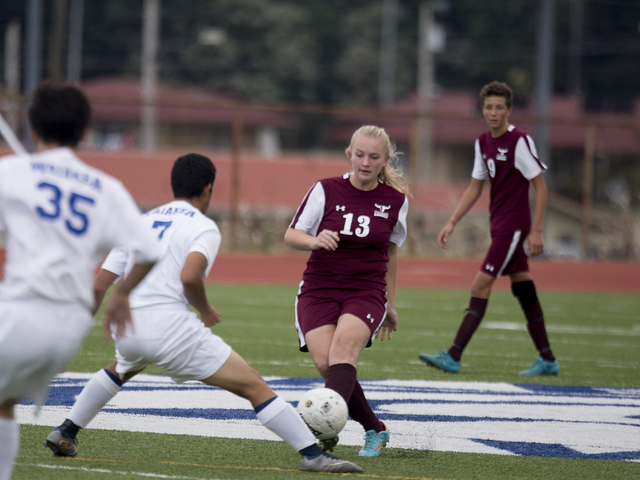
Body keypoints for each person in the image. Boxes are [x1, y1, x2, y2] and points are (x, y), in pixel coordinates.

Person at [45, 153, 363, 474]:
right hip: (170, 328)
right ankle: (312, 455)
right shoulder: (203, 226)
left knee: (121, 368)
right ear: (208, 188)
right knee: (254, 385)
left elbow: (102, 282)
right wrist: (205, 309)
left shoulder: (141, 221)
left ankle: (66, 432)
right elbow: (189, 276)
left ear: (173, 185)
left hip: (128, 326)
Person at [0, 83, 160, 480]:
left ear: (33, 128)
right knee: (4, 402)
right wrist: (122, 293)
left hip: (23, 309)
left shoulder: (11, 172)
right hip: (71, 323)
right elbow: (149, 251)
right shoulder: (106, 187)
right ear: (84, 131)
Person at [419, 81, 559, 376]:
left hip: (514, 227)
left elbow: (540, 187)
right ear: (482, 110)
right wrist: (452, 221)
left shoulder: (519, 141)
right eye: (489, 107)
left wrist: (537, 230)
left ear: (509, 110)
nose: (493, 113)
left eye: (499, 108)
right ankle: (547, 359)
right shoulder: (482, 142)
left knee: (480, 284)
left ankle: (453, 355)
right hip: (499, 225)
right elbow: (474, 187)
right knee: (523, 287)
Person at [285, 125, 409, 457]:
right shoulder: (325, 189)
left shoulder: (396, 201)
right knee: (327, 364)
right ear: (349, 154)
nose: (365, 162)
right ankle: (375, 428)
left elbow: (392, 253)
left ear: (385, 160)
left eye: (373, 157)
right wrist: (314, 240)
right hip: (319, 287)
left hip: (365, 290)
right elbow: (292, 235)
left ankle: (317, 433)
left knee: (343, 354)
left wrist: (391, 305)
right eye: (359, 154)